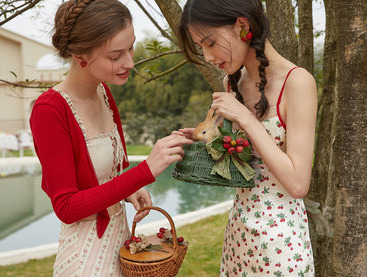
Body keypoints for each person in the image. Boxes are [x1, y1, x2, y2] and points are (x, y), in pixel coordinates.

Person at [29, 0, 192, 275]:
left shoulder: (103, 92)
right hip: (85, 260)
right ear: (81, 56)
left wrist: (129, 189)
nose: (130, 62)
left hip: (119, 245)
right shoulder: (49, 111)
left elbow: (102, 177)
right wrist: (144, 172)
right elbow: (67, 207)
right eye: (116, 55)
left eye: (130, 48)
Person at [177, 0, 317, 275]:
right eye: (201, 48)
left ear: (243, 26)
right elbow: (243, 161)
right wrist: (203, 142)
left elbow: (298, 184)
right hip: (239, 237)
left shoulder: (297, 83)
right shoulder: (234, 81)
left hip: (281, 245)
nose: (207, 57)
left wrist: (246, 119)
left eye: (210, 43)